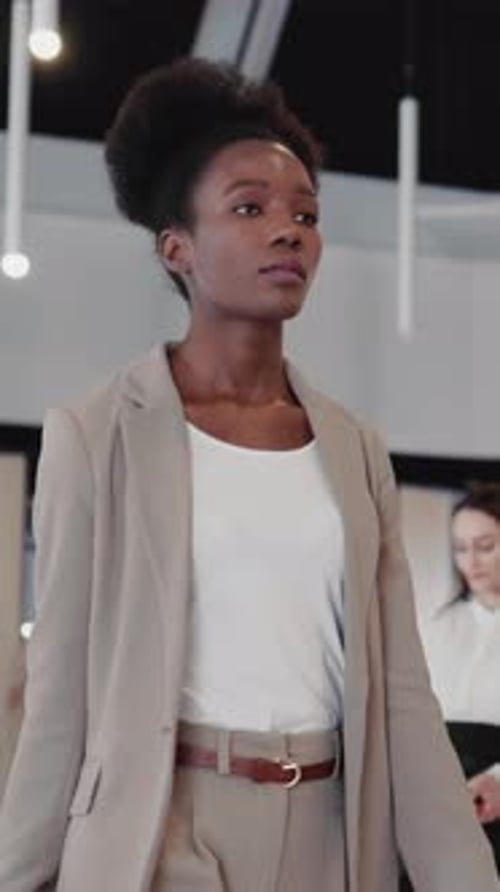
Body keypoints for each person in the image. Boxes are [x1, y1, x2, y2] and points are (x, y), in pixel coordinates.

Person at [0, 57, 497, 892]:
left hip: (328, 827)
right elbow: (60, 691)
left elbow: (403, 695)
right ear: (177, 247)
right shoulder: (94, 436)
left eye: (305, 212)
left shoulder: (353, 447)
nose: (289, 229)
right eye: (250, 208)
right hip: (158, 827)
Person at [421, 483, 500, 872]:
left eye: (486, 546)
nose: (472, 562)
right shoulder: (440, 626)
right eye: (461, 548)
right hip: (437, 798)